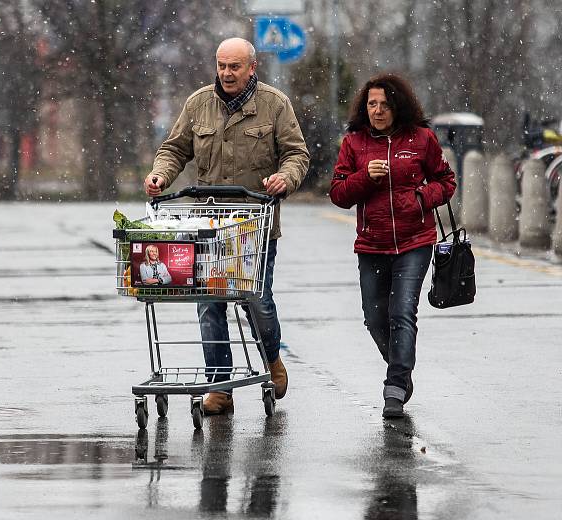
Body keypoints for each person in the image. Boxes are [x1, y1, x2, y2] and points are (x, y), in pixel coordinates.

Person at [144, 37, 310, 415]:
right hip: (209, 227)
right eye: (221, 65)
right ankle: (219, 385)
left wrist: (285, 178)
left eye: (235, 66)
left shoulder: (274, 104)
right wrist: (159, 176)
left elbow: (296, 154)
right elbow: (173, 150)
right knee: (209, 305)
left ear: (252, 68)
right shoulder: (199, 104)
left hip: (256, 226)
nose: (226, 73)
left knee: (256, 301)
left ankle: (271, 358)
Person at [330, 74, 456, 418]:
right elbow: (338, 193)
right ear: (364, 107)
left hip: (415, 242)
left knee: (402, 313)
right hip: (371, 244)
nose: (378, 110)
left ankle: (395, 386)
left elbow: (446, 181)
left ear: (397, 106)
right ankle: (401, 367)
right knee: (374, 319)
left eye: (385, 104)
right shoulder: (354, 143)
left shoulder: (421, 139)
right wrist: (363, 178)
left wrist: (420, 197)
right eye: (372, 104)